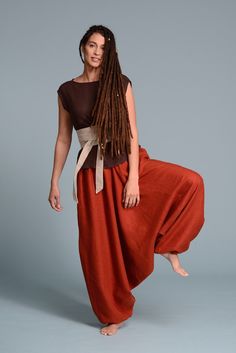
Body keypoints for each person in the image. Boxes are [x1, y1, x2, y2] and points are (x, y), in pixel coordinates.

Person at [48, 25, 205, 336]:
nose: (96, 52)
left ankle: (168, 245)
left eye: (103, 48)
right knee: (99, 249)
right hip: (91, 177)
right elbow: (64, 139)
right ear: (83, 47)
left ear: (110, 54)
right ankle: (113, 314)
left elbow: (132, 133)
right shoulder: (66, 90)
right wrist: (54, 182)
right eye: (91, 45)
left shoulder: (120, 83)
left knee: (190, 181)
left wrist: (133, 179)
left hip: (124, 166)